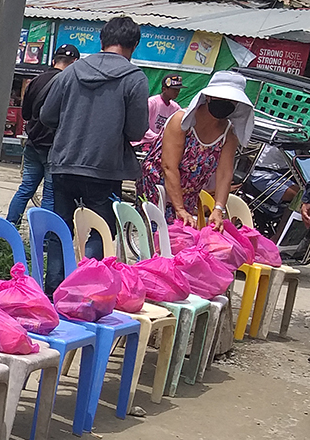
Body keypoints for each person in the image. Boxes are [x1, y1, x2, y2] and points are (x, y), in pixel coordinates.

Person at [38, 16, 148, 292]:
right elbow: (137, 131)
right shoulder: (134, 79)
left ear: (102, 40)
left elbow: (47, 115)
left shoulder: (71, 72)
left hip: (63, 163)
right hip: (105, 169)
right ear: (133, 45)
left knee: (60, 229)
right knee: (99, 230)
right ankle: (80, 293)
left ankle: (53, 290)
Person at [139, 71, 255, 232]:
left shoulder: (228, 133)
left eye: (231, 101)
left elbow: (224, 173)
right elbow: (169, 167)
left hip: (189, 194)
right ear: (208, 97)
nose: (225, 104)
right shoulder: (182, 121)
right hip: (158, 188)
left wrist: (218, 208)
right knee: (159, 238)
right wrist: (179, 209)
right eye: (221, 99)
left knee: (183, 240)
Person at [5, 44, 80, 225]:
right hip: (53, 148)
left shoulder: (36, 81)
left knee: (25, 189)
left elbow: (26, 115)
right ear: (75, 63)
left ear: (54, 60)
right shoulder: (70, 84)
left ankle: (9, 228)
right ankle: (42, 240)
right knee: (49, 195)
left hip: (32, 144)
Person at [141, 74, 183, 147]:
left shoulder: (176, 107)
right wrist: (158, 138)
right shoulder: (152, 102)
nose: (177, 92)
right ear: (164, 89)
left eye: (178, 90)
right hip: (144, 143)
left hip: (161, 144)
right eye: (174, 90)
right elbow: (141, 126)